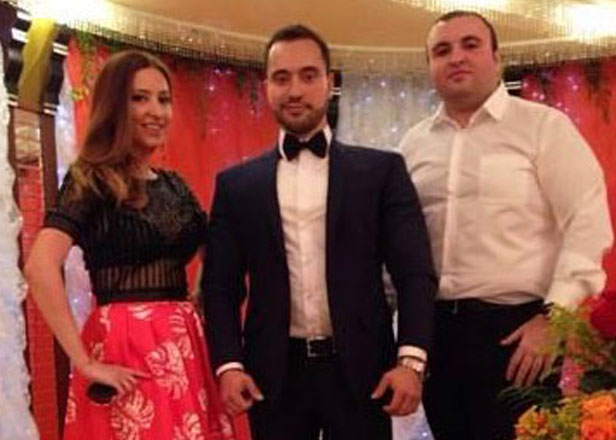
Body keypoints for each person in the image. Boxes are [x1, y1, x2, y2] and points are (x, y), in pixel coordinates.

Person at [201, 24, 436, 440]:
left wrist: (411, 361)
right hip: (272, 377)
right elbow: (220, 287)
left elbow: (414, 272)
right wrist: (229, 365)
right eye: (281, 78)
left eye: (308, 76)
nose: (294, 90)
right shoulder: (236, 185)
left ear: (330, 81)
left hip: (363, 371)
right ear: (267, 87)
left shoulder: (381, 172)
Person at [399, 10, 613, 440]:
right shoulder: (413, 144)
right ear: (430, 66)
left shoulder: (543, 127)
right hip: (437, 333)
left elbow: (588, 223)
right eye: (442, 50)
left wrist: (552, 319)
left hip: (520, 333)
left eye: (470, 45)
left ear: (497, 57)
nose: (456, 57)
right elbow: (401, 244)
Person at [24, 50, 234, 440]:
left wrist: (196, 299)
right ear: (114, 106)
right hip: (127, 347)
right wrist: (84, 362)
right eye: (139, 98)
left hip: (183, 344)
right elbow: (40, 266)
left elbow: (214, 246)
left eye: (163, 99)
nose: (156, 111)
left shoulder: (174, 185)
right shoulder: (92, 178)